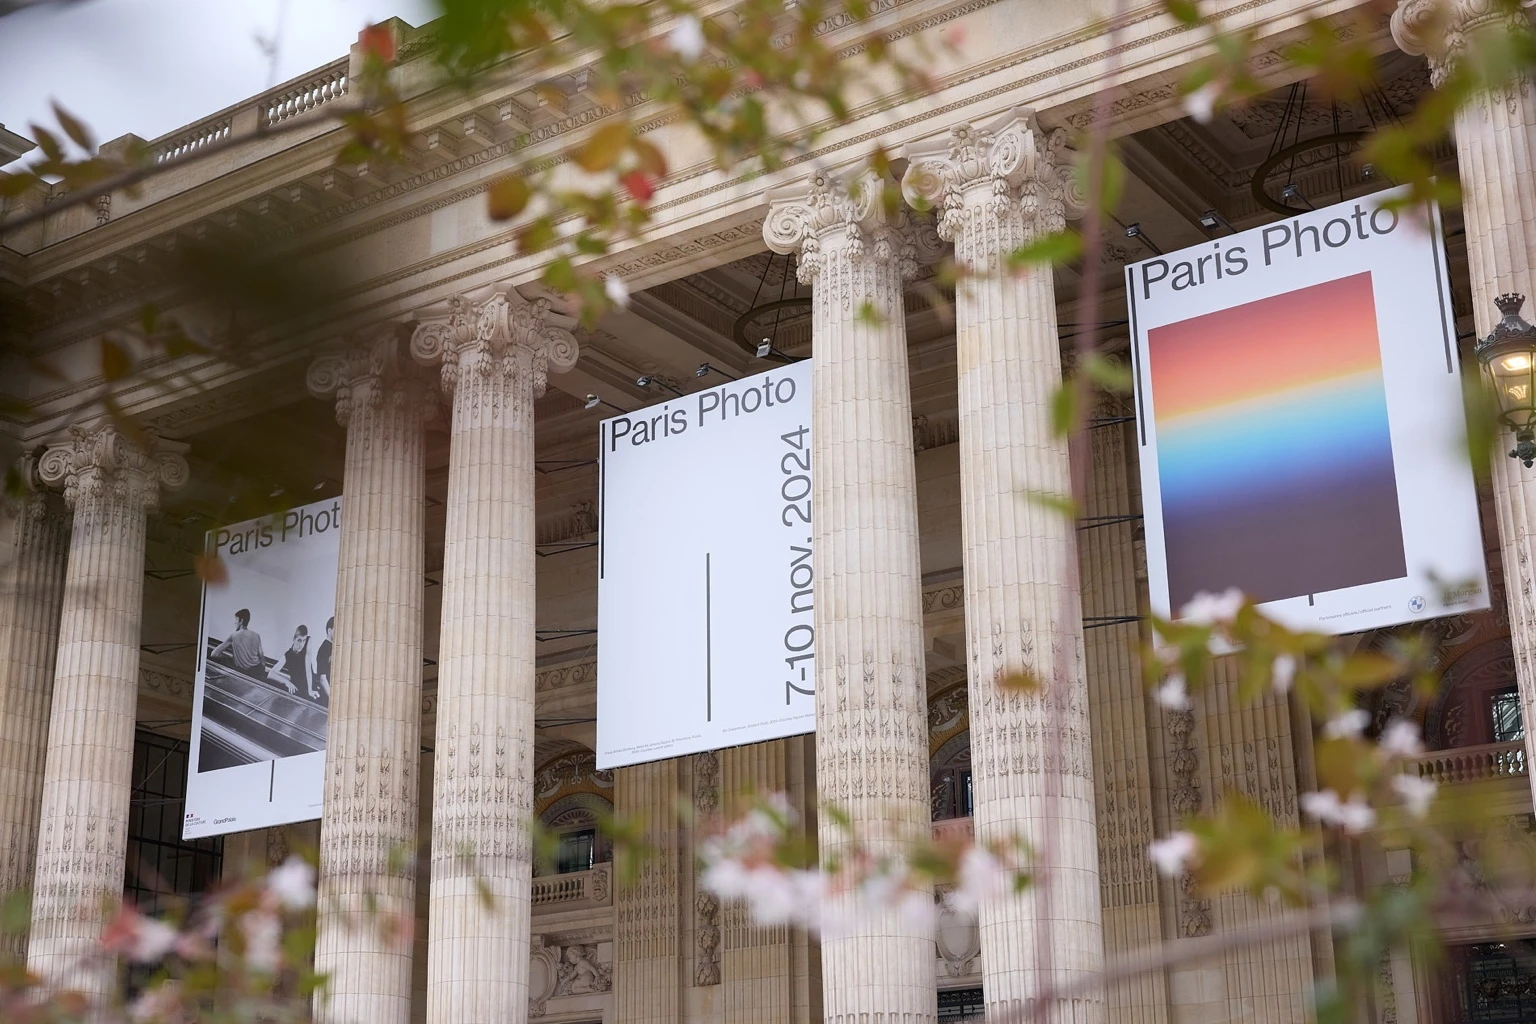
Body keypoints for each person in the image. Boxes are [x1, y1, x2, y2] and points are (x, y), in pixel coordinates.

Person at [211, 608, 268, 675]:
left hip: (242, 672)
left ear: (241, 621)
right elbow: (262, 661)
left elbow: (214, 654)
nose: (235, 622)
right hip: (256, 670)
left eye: (236, 620)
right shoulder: (256, 635)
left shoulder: (234, 636)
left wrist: (229, 658)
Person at [279, 626, 309, 698]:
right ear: (294, 639)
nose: (301, 644)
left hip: (309, 690)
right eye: (299, 640)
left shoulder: (306, 648)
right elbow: (271, 673)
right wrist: (287, 682)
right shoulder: (288, 655)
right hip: (298, 692)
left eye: (304, 641)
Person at [311, 617, 333, 708]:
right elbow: (322, 679)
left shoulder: (333, 647)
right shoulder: (324, 649)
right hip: (327, 697)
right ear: (329, 630)